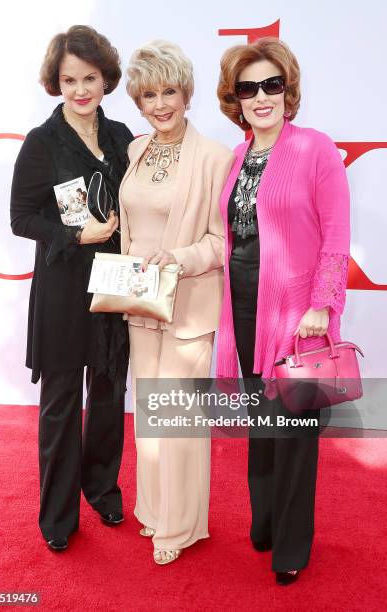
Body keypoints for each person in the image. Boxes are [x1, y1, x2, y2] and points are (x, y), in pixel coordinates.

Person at [216, 37, 350, 585]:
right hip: (243, 305)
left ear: (287, 90)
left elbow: (337, 232)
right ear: (237, 100)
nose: (261, 96)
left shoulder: (315, 147)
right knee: (261, 423)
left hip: (297, 313)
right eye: (249, 88)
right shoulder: (238, 156)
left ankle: (293, 544)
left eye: (272, 84)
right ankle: (265, 520)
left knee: (294, 430)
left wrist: (322, 304)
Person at [10, 25, 133, 552]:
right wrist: (73, 233)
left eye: (89, 78)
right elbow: (20, 217)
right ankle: (58, 516)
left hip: (115, 286)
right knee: (60, 403)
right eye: (68, 80)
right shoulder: (42, 142)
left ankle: (102, 489)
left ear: (106, 79)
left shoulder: (123, 137)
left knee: (108, 394)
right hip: (63, 291)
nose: (80, 89)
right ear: (55, 83)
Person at [120, 40, 234, 565]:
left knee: (180, 422)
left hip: (188, 304)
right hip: (140, 303)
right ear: (137, 102)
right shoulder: (136, 150)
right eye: (148, 94)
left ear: (186, 93)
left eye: (168, 90)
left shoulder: (214, 156)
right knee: (149, 419)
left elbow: (221, 241)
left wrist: (179, 258)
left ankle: (180, 528)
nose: (160, 103)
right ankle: (154, 511)